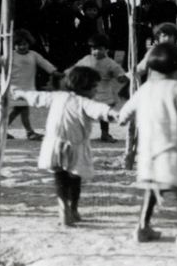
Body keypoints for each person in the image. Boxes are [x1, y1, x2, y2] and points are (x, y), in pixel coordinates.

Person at [117, 42, 177, 252]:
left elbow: (128, 109)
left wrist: (122, 118)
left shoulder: (146, 88)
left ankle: (142, 227)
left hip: (149, 152)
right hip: (174, 150)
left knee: (152, 189)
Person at [12, 65, 121, 226]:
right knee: (74, 178)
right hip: (75, 147)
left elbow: (36, 97)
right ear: (85, 87)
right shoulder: (84, 102)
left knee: (60, 177)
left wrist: (19, 93)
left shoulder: (57, 96)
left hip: (54, 145)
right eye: (94, 87)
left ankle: (63, 207)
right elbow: (101, 110)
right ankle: (73, 208)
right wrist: (115, 114)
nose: (96, 91)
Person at [0, 29, 57, 140]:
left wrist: (53, 71)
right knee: (23, 109)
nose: (22, 47)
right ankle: (29, 132)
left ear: (29, 43)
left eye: (24, 44)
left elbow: (44, 62)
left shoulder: (33, 55)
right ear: (13, 45)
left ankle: (2, 130)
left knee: (18, 110)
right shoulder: (9, 55)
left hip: (28, 88)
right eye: (18, 45)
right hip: (15, 88)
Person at [74, 34, 126, 141]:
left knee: (104, 115)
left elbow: (120, 75)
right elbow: (75, 69)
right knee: (84, 113)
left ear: (106, 49)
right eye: (94, 49)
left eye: (100, 49)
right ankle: (80, 133)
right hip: (88, 91)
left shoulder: (111, 63)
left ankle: (105, 134)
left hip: (104, 92)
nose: (96, 52)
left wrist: (123, 77)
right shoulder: (87, 59)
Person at [40, 0, 78, 68]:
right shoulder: (50, 8)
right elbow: (46, 22)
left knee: (68, 59)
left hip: (68, 37)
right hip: (55, 37)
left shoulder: (69, 7)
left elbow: (73, 21)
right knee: (55, 60)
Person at [108, 0, 131, 67]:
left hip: (124, 32)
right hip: (114, 32)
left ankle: (121, 67)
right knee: (112, 51)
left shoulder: (127, 7)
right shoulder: (112, 6)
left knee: (122, 52)